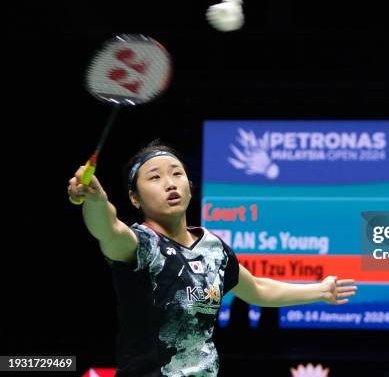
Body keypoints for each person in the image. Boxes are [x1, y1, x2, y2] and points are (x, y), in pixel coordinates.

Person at [67, 140, 357, 377]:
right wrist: (96, 200)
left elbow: (257, 289)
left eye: (176, 173)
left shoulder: (213, 249)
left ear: (189, 186)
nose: (170, 183)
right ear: (134, 198)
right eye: (155, 177)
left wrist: (320, 291)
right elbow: (107, 229)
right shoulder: (139, 244)